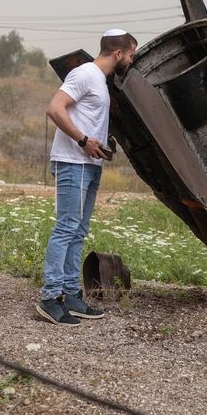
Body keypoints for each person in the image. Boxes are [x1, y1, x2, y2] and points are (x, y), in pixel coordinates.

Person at [37, 29, 137, 326]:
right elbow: (54, 109)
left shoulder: (101, 82)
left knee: (78, 231)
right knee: (66, 228)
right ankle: (49, 298)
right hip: (72, 161)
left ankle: (72, 296)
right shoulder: (85, 74)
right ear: (118, 53)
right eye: (131, 55)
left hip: (89, 164)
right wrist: (83, 141)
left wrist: (99, 141)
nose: (131, 61)